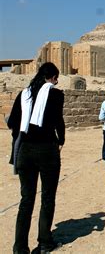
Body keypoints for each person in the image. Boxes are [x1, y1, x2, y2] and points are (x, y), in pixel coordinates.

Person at [7, 62, 65, 254]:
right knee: (47, 197)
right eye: (56, 79)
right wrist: (61, 140)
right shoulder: (56, 94)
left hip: (25, 151)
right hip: (47, 150)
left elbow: (13, 122)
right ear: (53, 78)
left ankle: (20, 248)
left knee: (26, 200)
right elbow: (58, 121)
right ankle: (45, 243)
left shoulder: (24, 94)